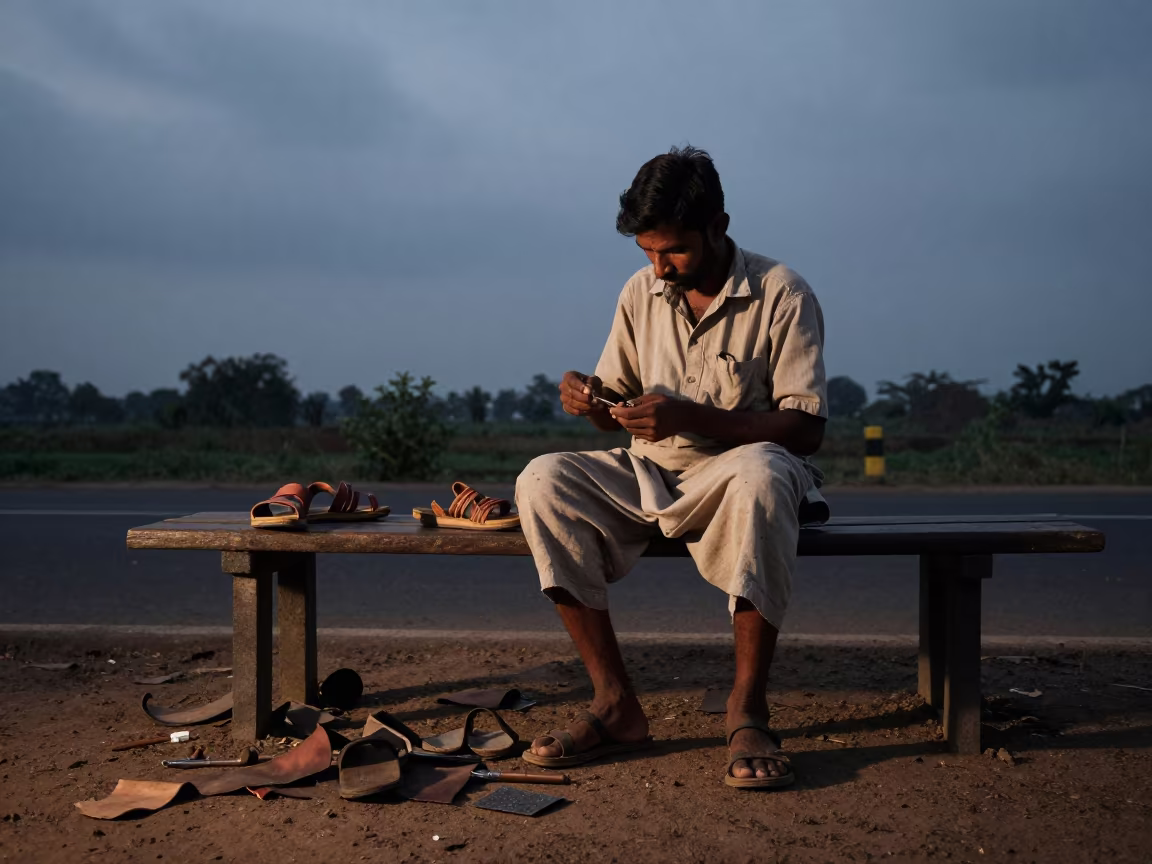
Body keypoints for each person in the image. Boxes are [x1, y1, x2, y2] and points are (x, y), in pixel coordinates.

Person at [515, 145, 828, 789]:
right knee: (542, 478)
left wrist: (689, 417)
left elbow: (806, 429)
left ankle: (746, 708)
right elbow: (618, 405)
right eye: (647, 253)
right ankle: (615, 704)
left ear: (719, 225)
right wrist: (590, 400)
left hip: (741, 472)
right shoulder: (642, 291)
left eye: (673, 252)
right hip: (650, 473)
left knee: (764, 474)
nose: (659, 268)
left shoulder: (781, 292)